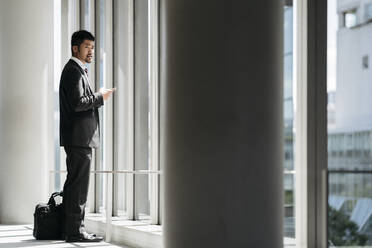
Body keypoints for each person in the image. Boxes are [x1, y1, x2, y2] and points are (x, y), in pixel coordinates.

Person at [59, 30, 114, 242]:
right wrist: (101, 96)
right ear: (76, 48)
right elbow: (78, 102)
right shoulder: (73, 70)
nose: (91, 51)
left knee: (75, 185)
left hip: (78, 138)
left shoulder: (77, 70)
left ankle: (71, 229)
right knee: (78, 187)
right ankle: (75, 231)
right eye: (87, 47)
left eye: (92, 47)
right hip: (79, 139)